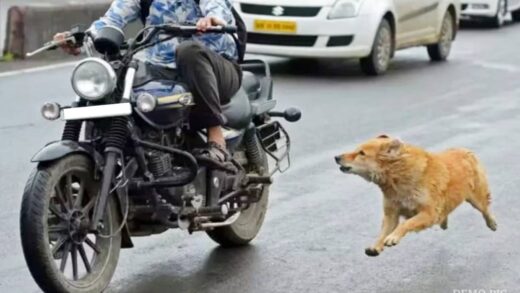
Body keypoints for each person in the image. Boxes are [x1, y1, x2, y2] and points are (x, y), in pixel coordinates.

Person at [55, 0, 242, 163]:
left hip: (216, 68)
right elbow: (112, 20)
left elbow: (216, 6)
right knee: (117, 72)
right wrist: (79, 38)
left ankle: (216, 137)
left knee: (189, 51)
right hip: (162, 70)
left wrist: (212, 19)